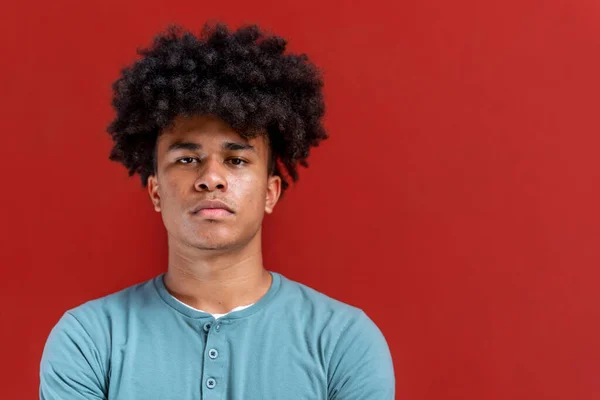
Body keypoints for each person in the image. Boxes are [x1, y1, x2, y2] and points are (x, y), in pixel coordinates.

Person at [39, 22, 395, 399]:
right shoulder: (88, 341)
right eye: (188, 158)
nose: (211, 178)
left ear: (271, 192)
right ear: (155, 192)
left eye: (236, 160)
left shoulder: (344, 342)